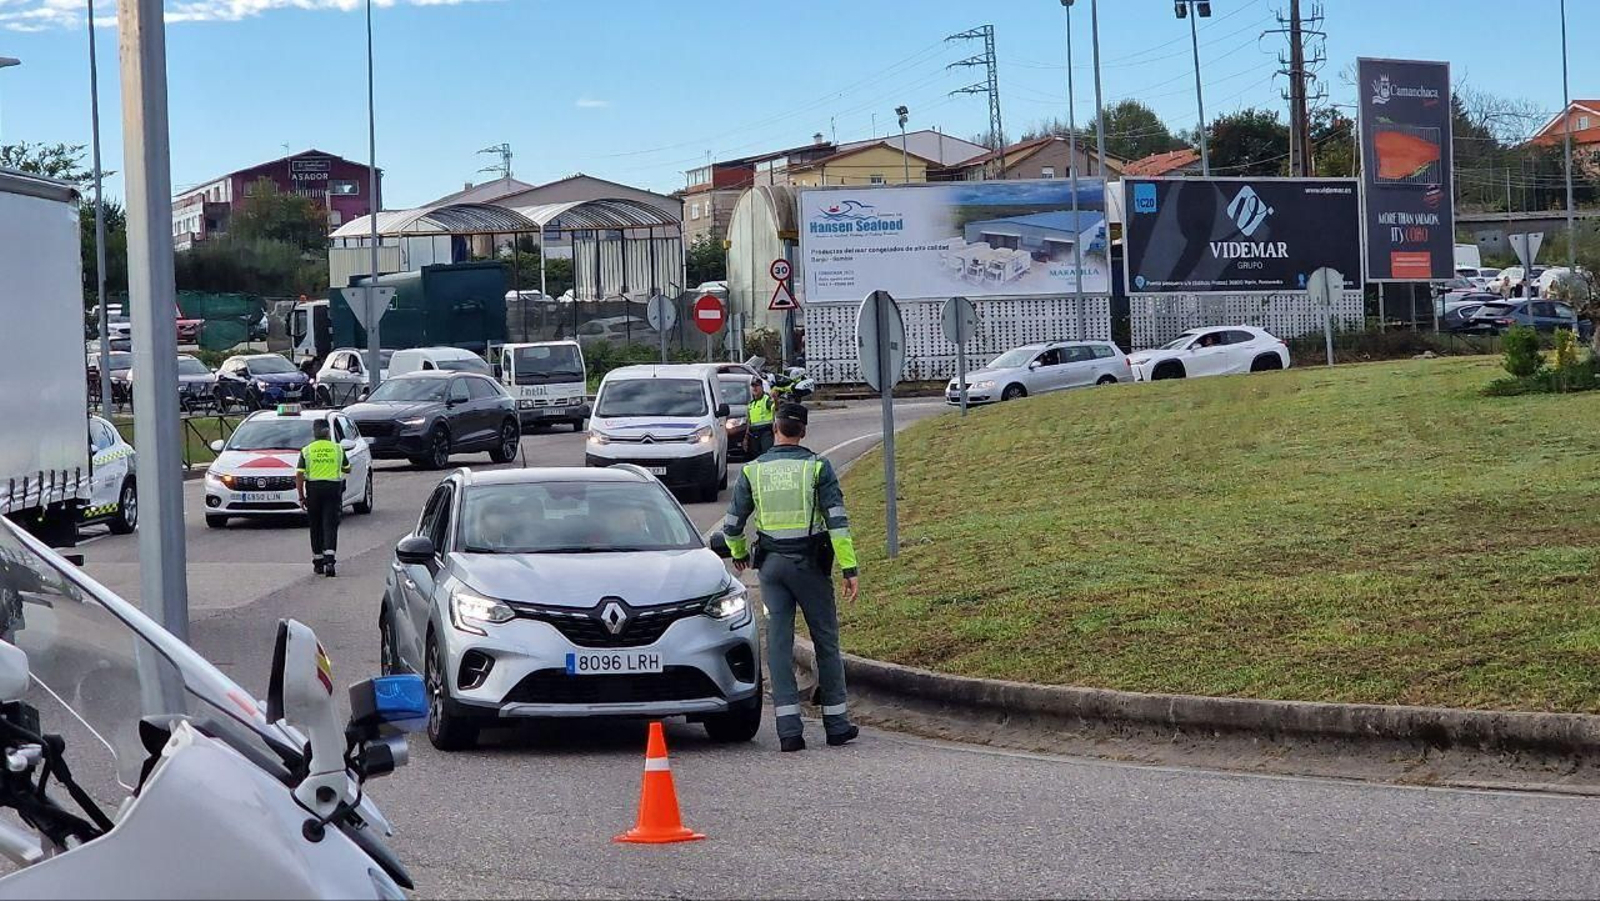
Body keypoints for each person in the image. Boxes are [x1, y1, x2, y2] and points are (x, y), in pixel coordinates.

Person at [723, 402, 860, 752]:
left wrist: (739, 555)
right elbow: (838, 523)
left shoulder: (753, 471)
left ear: (774, 430)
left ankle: (788, 731)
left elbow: (732, 526)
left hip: (771, 570)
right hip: (810, 567)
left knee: (780, 647)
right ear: (804, 431)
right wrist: (849, 568)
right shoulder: (817, 468)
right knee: (826, 642)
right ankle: (837, 723)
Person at [295, 419, 349, 578]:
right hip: (333, 489)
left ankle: (318, 562)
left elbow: (299, 474)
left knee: (315, 525)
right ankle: (330, 561)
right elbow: (347, 468)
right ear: (328, 432)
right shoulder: (338, 449)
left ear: (314, 432)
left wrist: (301, 496)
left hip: (313, 489)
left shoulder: (307, 451)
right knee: (330, 524)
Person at [745, 377, 775, 459]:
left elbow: (775, 408)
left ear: (761, 387)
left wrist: (775, 399)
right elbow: (749, 421)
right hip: (754, 434)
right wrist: (746, 438)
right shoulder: (751, 404)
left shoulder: (766, 400)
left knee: (766, 455)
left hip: (765, 432)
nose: (755, 388)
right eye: (753, 386)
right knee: (755, 457)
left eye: (757, 386)